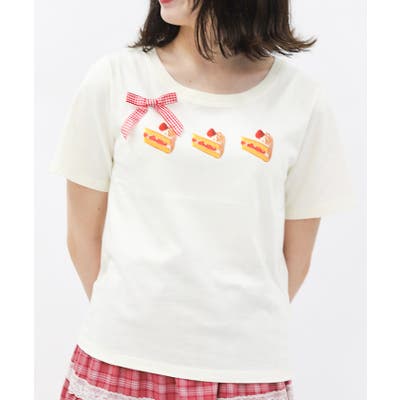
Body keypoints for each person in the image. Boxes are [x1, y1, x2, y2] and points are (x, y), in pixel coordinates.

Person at [49, 0, 357, 399]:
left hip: (246, 370)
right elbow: (81, 236)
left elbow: (295, 257)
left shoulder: (301, 100)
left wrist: (229, 336)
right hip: (122, 358)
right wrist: (138, 323)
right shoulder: (114, 79)